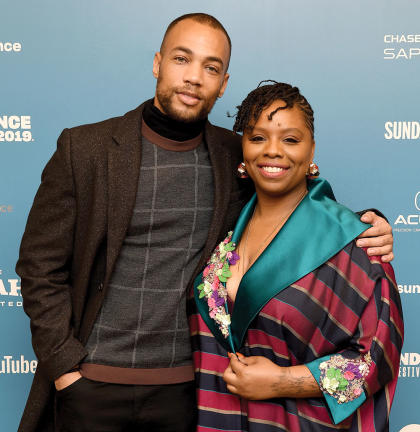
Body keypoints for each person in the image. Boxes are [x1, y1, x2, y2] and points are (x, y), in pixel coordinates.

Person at [16, 13, 394, 432]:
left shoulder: (231, 152)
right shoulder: (85, 148)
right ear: (158, 63)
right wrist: (66, 370)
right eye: (182, 59)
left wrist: (365, 222)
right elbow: (39, 267)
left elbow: (295, 194)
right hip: (91, 384)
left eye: (210, 67)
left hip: (187, 394)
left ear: (223, 83)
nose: (194, 77)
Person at [190, 82, 403, 432]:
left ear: (312, 149)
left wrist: (281, 381)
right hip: (219, 420)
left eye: (290, 139)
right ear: (242, 148)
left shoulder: (354, 243)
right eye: (258, 138)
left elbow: (375, 361)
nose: (273, 151)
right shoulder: (226, 228)